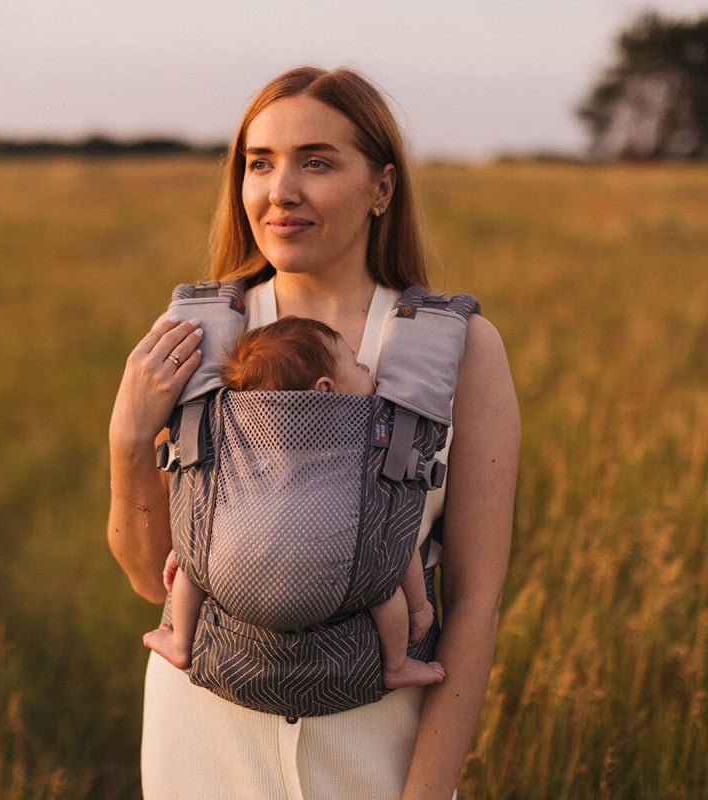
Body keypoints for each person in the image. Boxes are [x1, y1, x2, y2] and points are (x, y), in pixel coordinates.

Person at [108, 66, 519, 800]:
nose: (280, 190)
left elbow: (475, 602)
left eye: (317, 162)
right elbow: (152, 581)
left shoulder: (460, 348)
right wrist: (130, 443)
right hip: (203, 744)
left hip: (377, 750)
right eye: (259, 163)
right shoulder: (198, 338)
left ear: (382, 187)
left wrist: (425, 792)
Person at [142, 315, 446, 690]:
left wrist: (184, 554)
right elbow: (399, 537)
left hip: (232, 569)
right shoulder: (362, 434)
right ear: (324, 389)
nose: (365, 366)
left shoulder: (239, 432)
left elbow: (201, 506)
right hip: (336, 571)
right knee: (389, 562)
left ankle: (180, 644)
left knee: (193, 569)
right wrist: (419, 610)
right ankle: (397, 665)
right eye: (354, 362)